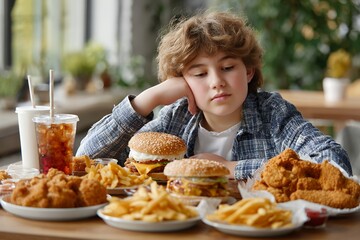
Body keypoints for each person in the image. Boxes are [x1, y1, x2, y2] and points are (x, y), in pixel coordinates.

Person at [76, 11, 352, 180]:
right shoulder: (176, 118)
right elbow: (84, 161)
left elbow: (333, 165)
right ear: (182, 82)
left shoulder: (273, 114)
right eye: (199, 74)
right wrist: (148, 99)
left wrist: (229, 168)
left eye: (228, 67)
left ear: (248, 71)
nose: (217, 82)